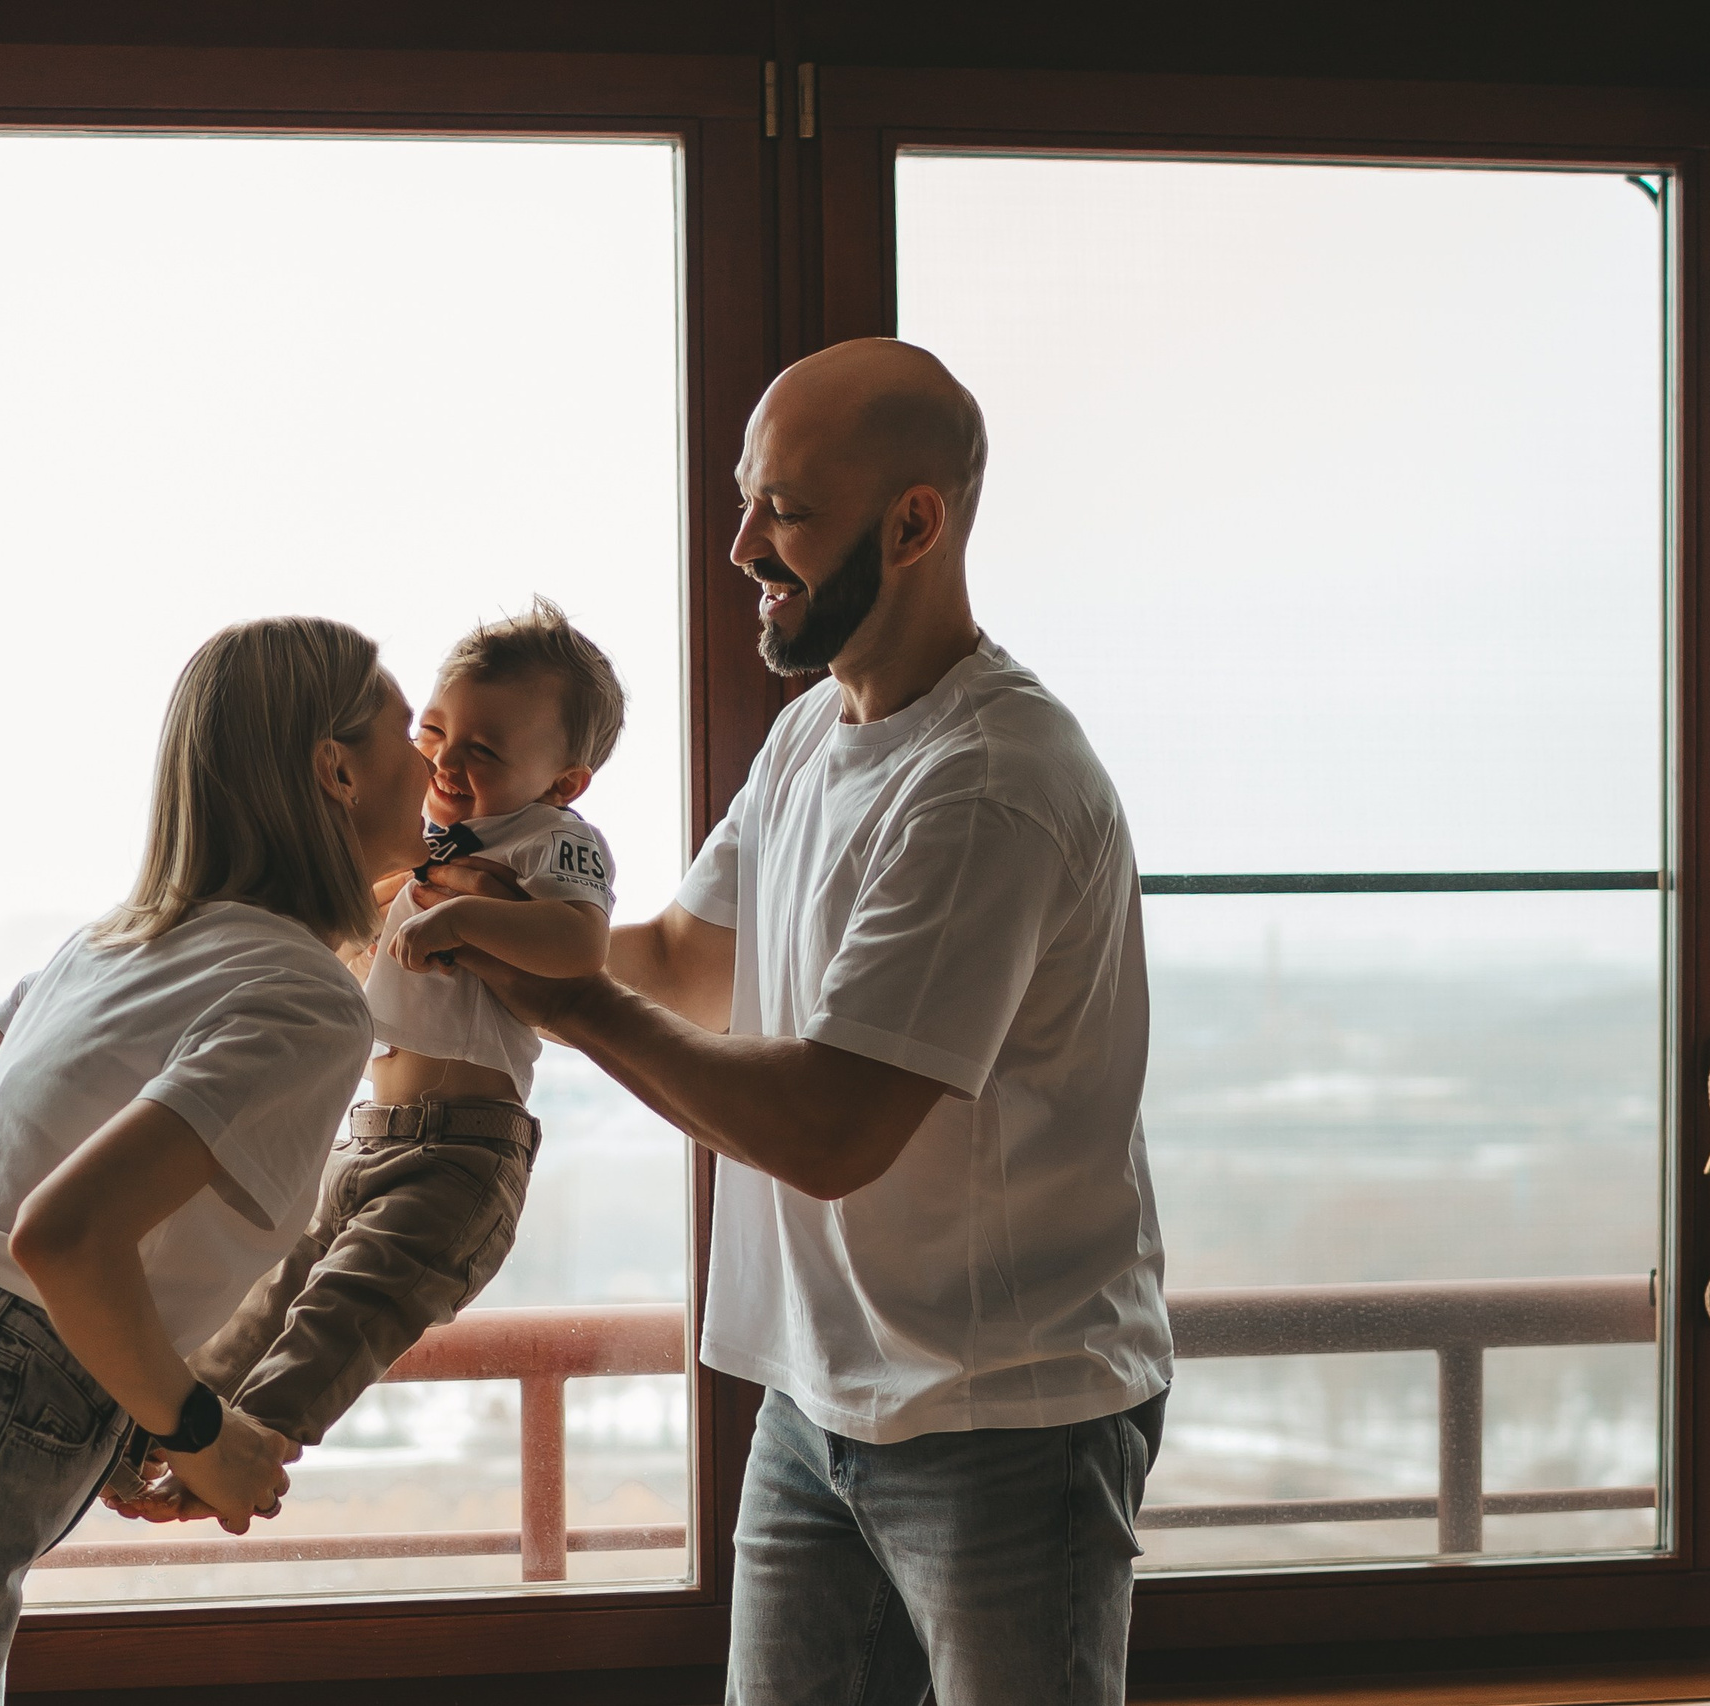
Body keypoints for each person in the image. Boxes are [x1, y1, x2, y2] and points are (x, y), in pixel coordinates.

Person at [429, 339, 1172, 1705]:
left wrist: (574, 1002)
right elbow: (683, 961)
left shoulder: (987, 780)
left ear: (913, 523)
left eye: (783, 508)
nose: (739, 546)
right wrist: (500, 899)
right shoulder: (810, 734)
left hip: (1005, 1416)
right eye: (742, 499)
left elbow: (834, 1126)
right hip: (816, 1403)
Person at [0, 615, 434, 1706]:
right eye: (408, 730)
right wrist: (195, 1429)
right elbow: (62, 1236)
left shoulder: (117, 941)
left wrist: (94, 1372)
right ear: (336, 769)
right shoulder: (302, 995)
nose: (434, 759)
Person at [112, 601, 623, 1510]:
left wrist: (464, 917)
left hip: (463, 1151)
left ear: (565, 782)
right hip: (364, 1136)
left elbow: (579, 947)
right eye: (434, 734)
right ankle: (153, 1428)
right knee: (266, 1301)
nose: (448, 766)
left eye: (487, 752)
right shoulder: (414, 847)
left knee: (339, 1315)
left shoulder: (556, 845)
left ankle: (240, 1458)